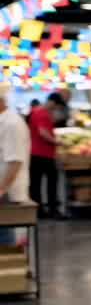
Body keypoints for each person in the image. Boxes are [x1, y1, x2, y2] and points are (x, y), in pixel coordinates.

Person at [0, 87, 31, 246]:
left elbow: (15, 162)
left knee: (7, 250)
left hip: (8, 200)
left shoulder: (11, 123)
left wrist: (1, 190)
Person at [28, 93, 60, 219]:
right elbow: (42, 132)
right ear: (52, 102)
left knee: (36, 183)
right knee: (51, 182)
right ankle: (52, 209)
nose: (55, 109)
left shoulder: (36, 111)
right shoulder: (42, 113)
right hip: (43, 154)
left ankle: (39, 211)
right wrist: (56, 141)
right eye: (56, 106)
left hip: (35, 153)